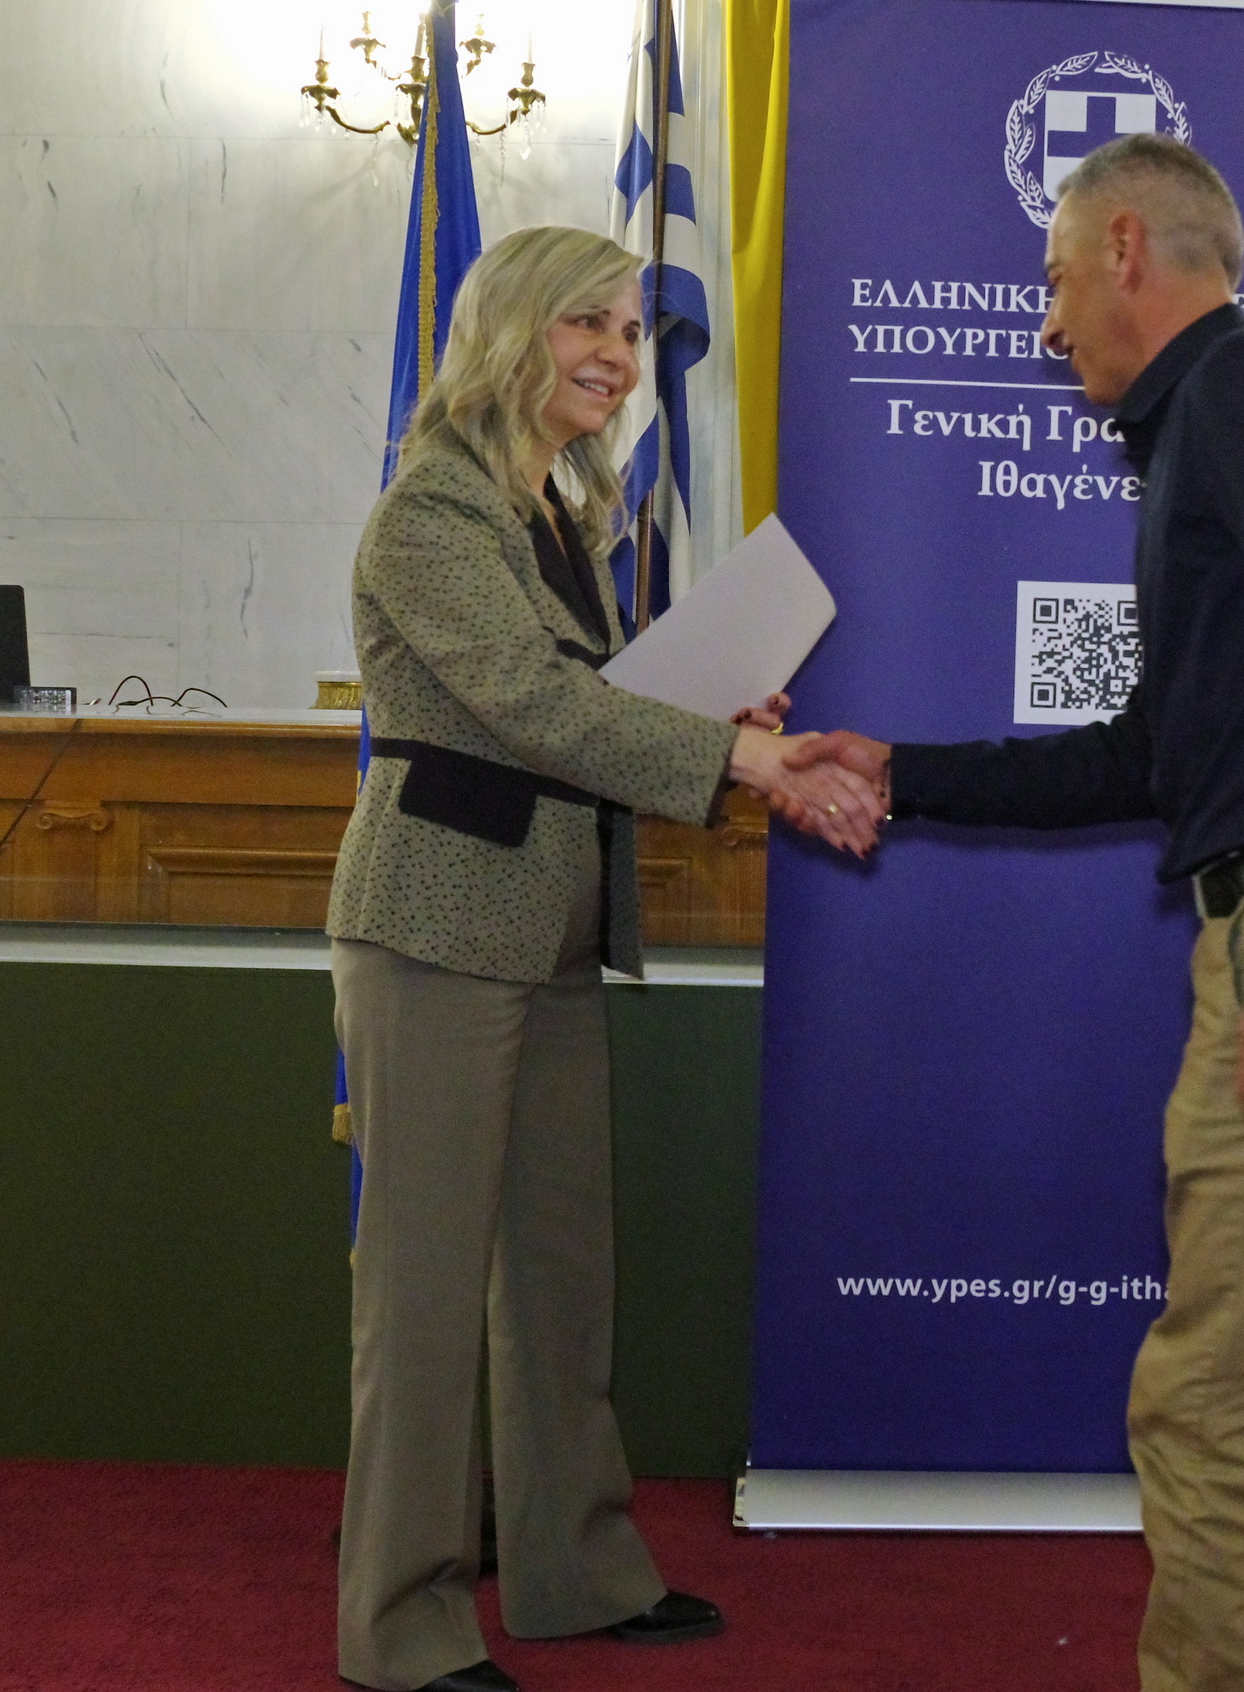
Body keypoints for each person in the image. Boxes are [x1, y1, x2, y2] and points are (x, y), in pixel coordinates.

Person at [787, 133, 1244, 1692]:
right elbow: (1147, 759)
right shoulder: (1195, 433)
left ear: (1122, 247)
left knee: (1215, 1405)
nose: (1045, 326)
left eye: (1051, 280)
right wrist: (901, 771)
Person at [325, 224, 879, 1692]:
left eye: (631, 331)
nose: (619, 358)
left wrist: (710, 715)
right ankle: (400, 1626)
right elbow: (531, 706)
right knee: (426, 1294)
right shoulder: (433, 509)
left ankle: (571, 1570)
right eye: (588, 324)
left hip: (552, 929)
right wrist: (739, 760)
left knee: (559, 1275)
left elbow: (596, 703)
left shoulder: (560, 513)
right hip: (435, 929)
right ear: (512, 329)